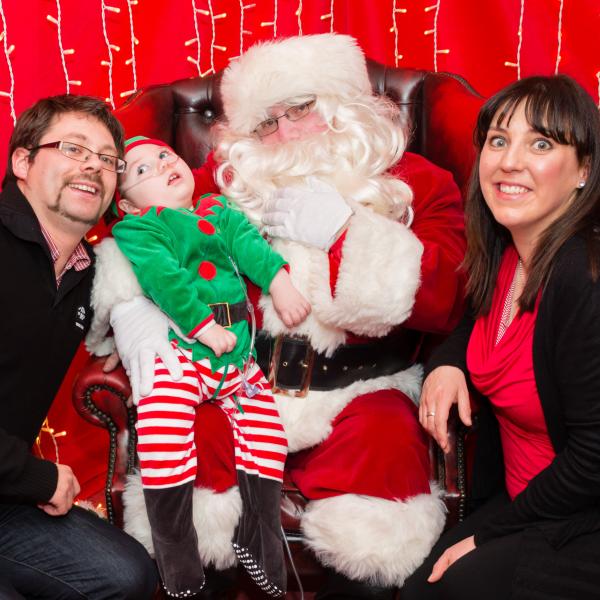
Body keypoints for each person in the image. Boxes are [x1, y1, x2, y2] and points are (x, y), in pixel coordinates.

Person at [88, 34, 467, 599]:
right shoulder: (229, 181)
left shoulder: (416, 183)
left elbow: (448, 296)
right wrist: (136, 323)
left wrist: (347, 231)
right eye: (265, 124)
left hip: (361, 391)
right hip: (236, 381)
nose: (285, 135)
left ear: (344, 106)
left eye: (300, 110)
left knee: (385, 474)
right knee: (186, 462)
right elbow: (147, 238)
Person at [402, 74, 600, 600]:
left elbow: (595, 456)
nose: (509, 161)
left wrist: (491, 534)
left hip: (578, 516)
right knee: (418, 588)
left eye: (541, 143)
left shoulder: (584, 276)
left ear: (583, 170)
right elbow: (482, 324)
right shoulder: (510, 252)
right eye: (498, 140)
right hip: (522, 499)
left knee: (445, 590)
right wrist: (448, 362)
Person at [110, 135, 310, 597]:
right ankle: (175, 550)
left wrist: (278, 281)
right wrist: (201, 325)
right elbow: (163, 276)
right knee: (163, 428)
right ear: (127, 205)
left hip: (237, 358)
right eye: (142, 171)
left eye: (164, 155)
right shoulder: (141, 229)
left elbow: (248, 245)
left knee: (267, 435)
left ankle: (257, 538)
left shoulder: (216, 210)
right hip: (186, 351)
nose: (161, 166)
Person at [0, 96, 158, 599]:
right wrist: (36, 477)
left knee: (125, 573)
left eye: (108, 159)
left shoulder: (88, 273)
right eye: (72, 148)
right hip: (17, 476)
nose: (93, 164)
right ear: (22, 162)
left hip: (4, 491)